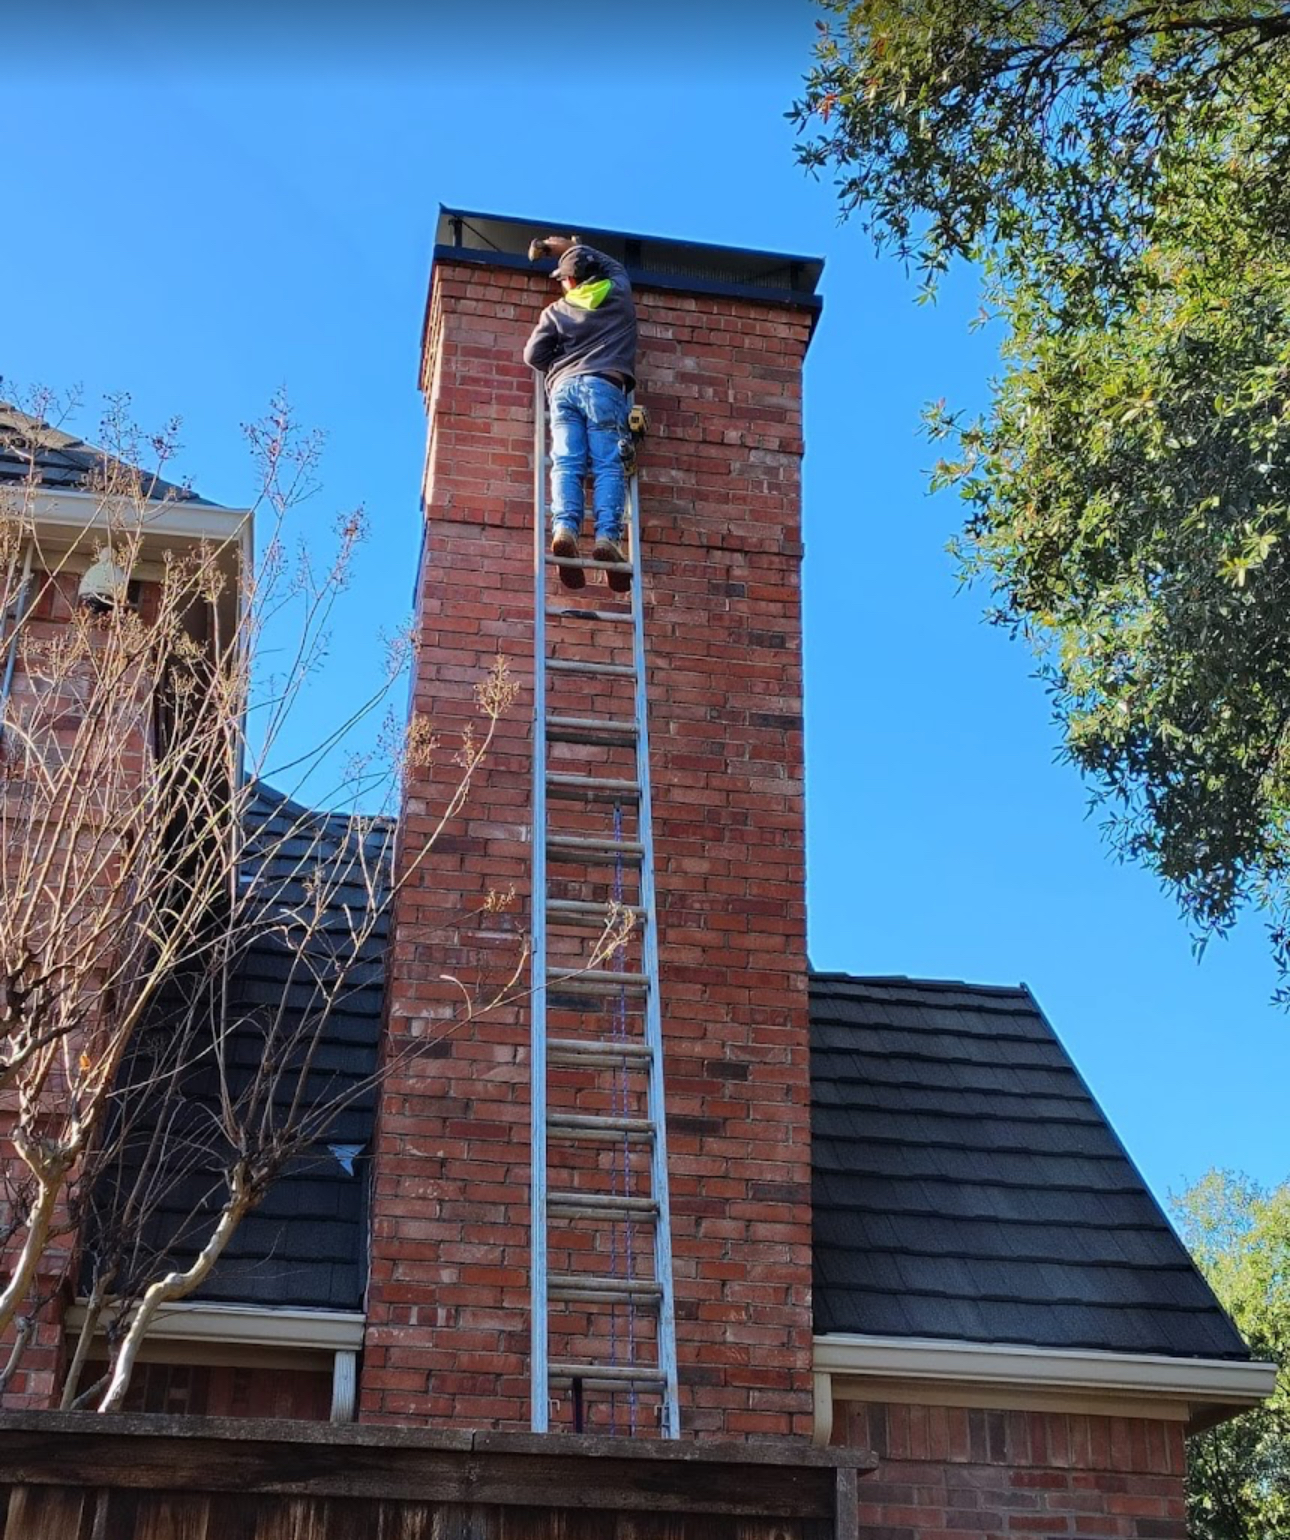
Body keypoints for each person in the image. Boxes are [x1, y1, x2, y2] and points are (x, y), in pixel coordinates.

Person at [523, 236, 637, 590]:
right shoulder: (618, 294)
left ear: (570, 282)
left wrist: (561, 364)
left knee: (567, 463)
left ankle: (565, 530)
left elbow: (532, 356)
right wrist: (571, 249)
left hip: (563, 391)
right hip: (605, 386)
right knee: (607, 465)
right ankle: (606, 540)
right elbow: (613, 265)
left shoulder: (556, 311)